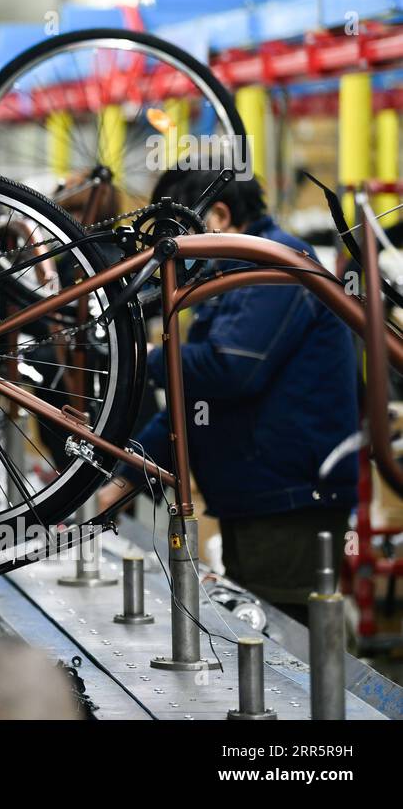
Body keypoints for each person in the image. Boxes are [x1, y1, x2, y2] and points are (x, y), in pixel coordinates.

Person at [98, 168, 358, 623]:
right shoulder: (235, 274)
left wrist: (141, 357)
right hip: (261, 498)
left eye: (175, 236)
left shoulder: (274, 262)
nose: (170, 255)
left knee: (288, 643)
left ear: (218, 214)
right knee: (266, 630)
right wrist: (127, 475)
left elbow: (230, 369)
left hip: (288, 503)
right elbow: (196, 398)